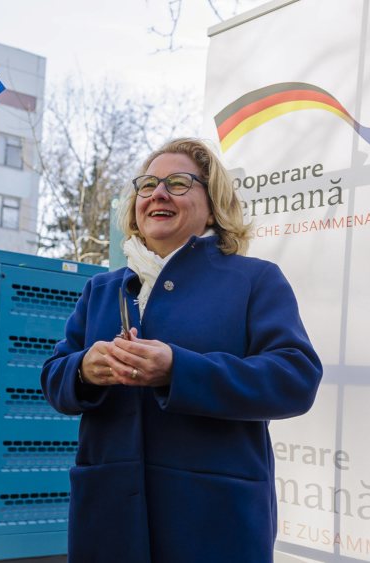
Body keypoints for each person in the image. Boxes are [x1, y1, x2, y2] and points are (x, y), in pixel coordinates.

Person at [40, 138, 322, 563]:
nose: (156, 194)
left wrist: (179, 370)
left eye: (176, 183)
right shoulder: (101, 288)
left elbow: (295, 378)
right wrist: (83, 370)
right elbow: (53, 377)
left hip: (213, 522)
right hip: (108, 520)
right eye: (148, 184)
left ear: (213, 205)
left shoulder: (254, 280)